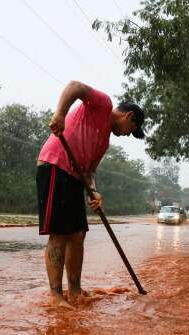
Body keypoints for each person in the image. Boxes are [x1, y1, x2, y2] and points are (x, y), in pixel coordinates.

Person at [36, 81, 145, 307]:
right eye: (131, 130)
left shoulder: (104, 142)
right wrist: (60, 115)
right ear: (129, 116)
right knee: (59, 234)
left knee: (78, 235)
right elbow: (75, 87)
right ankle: (55, 296)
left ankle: (74, 290)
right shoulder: (103, 104)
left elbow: (89, 171)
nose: (126, 135)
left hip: (76, 177)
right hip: (55, 164)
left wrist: (94, 191)